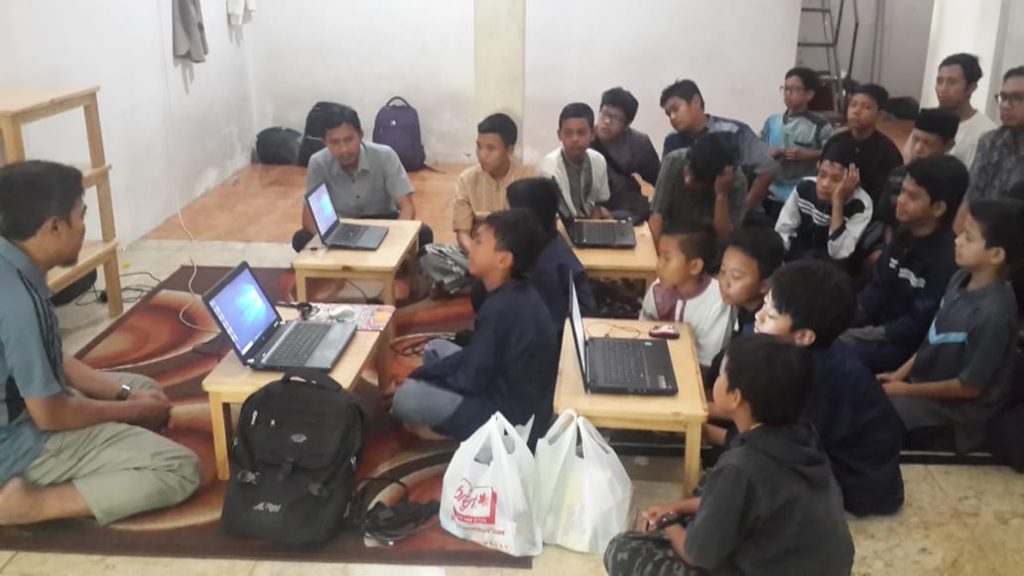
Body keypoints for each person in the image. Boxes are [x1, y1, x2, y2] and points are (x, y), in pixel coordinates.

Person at [0, 161, 200, 526]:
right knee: (178, 468)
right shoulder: (18, 302)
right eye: (81, 216)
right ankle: (29, 505)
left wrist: (125, 396)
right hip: (16, 442)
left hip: (24, 406)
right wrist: (130, 411)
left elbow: (52, 358)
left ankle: (109, 443)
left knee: (145, 390)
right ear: (54, 227)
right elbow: (51, 414)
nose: (84, 228)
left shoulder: (9, 267)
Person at [604, 335, 854, 576]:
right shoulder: (804, 436)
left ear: (735, 397)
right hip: (813, 562)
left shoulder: (741, 466)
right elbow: (741, 499)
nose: (717, 379)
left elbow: (696, 555)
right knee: (709, 485)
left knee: (623, 550)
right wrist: (677, 507)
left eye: (722, 374)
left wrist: (668, 522)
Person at [391, 209, 558, 447]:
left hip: (512, 421)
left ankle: (467, 436)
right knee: (435, 348)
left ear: (503, 260)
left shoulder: (501, 308)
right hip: (512, 390)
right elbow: (476, 358)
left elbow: (472, 378)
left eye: (479, 242)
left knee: (405, 398)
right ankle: (452, 420)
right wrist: (425, 375)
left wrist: (421, 380)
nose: (471, 248)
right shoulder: (517, 292)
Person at [753, 261, 905, 516]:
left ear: (804, 336)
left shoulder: (817, 377)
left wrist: (713, 431)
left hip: (859, 485)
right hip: (837, 459)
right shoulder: (805, 353)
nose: (758, 316)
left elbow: (787, 447)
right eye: (764, 304)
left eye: (770, 316)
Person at [880, 198, 1022, 454]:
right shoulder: (960, 278)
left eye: (969, 237)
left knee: (878, 418)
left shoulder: (995, 313)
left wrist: (907, 390)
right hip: (924, 387)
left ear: (996, 254)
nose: (957, 241)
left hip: (958, 416)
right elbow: (934, 335)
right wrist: (898, 375)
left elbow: (969, 387)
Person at [845, 156, 967, 373]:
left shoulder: (949, 260)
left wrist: (853, 335)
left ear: (939, 208)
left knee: (836, 352)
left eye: (912, 196)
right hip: (878, 329)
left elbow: (916, 326)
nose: (900, 200)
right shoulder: (903, 235)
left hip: (907, 349)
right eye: (902, 191)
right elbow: (874, 292)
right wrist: (840, 321)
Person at [292, 103, 432, 252]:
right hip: (341, 226)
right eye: (335, 142)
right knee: (301, 239)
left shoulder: (385, 155)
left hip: (384, 223)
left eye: (349, 140)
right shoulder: (318, 163)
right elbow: (309, 217)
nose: (344, 149)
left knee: (423, 233)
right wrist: (331, 242)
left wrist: (395, 242)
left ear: (360, 135)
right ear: (325, 142)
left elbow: (407, 206)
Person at [420, 113, 532, 294]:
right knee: (428, 254)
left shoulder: (526, 181)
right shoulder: (467, 179)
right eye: (479, 147)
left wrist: (497, 261)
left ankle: (468, 287)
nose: (482, 155)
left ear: (510, 150)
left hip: (510, 258)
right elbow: (462, 234)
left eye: (491, 148)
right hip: (475, 254)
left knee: (533, 263)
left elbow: (527, 236)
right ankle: (490, 285)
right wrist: (481, 257)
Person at [655, 79, 777, 218]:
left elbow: (768, 168)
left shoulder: (732, 132)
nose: (672, 117)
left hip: (736, 216)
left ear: (696, 102)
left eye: (676, 109)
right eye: (668, 114)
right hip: (691, 217)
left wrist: (741, 211)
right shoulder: (672, 140)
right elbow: (668, 183)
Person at [506, 177, 596, 334]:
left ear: (527, 217)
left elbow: (549, 325)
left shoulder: (546, 267)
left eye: (510, 210)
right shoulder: (547, 238)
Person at [640, 222, 730, 367]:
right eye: (659, 256)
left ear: (694, 266)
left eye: (667, 258)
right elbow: (642, 331)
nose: (659, 264)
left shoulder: (717, 303)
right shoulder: (658, 289)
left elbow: (707, 362)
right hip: (654, 361)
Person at [775, 136, 873, 263]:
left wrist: (837, 202)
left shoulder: (861, 205)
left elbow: (839, 252)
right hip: (798, 255)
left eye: (836, 179)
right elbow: (784, 230)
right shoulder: (805, 187)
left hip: (832, 264)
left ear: (852, 179)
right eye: (822, 175)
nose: (825, 184)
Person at [761, 67, 836, 220]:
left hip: (801, 194)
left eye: (795, 89)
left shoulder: (820, 125)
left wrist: (809, 155)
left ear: (809, 94)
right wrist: (768, 151)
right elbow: (757, 147)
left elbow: (834, 154)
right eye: (786, 88)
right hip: (771, 190)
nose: (788, 93)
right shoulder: (772, 121)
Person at [956, 66, 1024, 232]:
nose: (1006, 106)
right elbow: (971, 196)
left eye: (1017, 98)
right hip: (981, 234)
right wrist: (957, 240)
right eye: (1003, 97)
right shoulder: (991, 141)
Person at [904, 53, 997, 168]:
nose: (943, 89)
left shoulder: (986, 132)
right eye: (939, 81)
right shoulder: (927, 120)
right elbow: (906, 161)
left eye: (952, 82)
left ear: (971, 87)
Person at [652, 133, 745, 244]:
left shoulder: (736, 182)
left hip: (708, 246)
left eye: (697, 180)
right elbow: (657, 215)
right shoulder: (674, 160)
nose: (688, 180)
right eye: (689, 169)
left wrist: (721, 194)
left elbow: (725, 238)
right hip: (670, 238)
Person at [875, 109, 959, 231]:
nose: (918, 149)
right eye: (915, 139)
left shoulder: (953, 184)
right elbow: (886, 222)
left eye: (927, 143)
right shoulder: (898, 174)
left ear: (948, 145)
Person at [590, 87, 661, 222]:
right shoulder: (586, 139)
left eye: (616, 118)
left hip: (625, 208)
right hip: (592, 208)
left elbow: (659, 180)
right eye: (604, 114)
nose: (607, 121)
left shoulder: (639, 143)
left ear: (627, 124)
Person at [827, 84, 904, 205]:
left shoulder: (888, 152)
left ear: (880, 115)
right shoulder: (835, 142)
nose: (856, 111)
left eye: (866, 107)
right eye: (853, 105)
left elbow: (889, 195)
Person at [539, 103, 612, 219]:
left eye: (581, 133)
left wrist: (594, 225)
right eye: (568, 133)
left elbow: (599, 203)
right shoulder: (549, 167)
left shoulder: (599, 160)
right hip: (559, 223)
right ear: (559, 135)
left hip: (589, 222)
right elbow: (550, 213)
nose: (575, 139)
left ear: (593, 134)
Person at [718, 227, 787, 339]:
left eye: (736, 276)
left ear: (764, 285)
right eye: (722, 270)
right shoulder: (736, 305)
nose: (724, 282)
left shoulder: (764, 330)